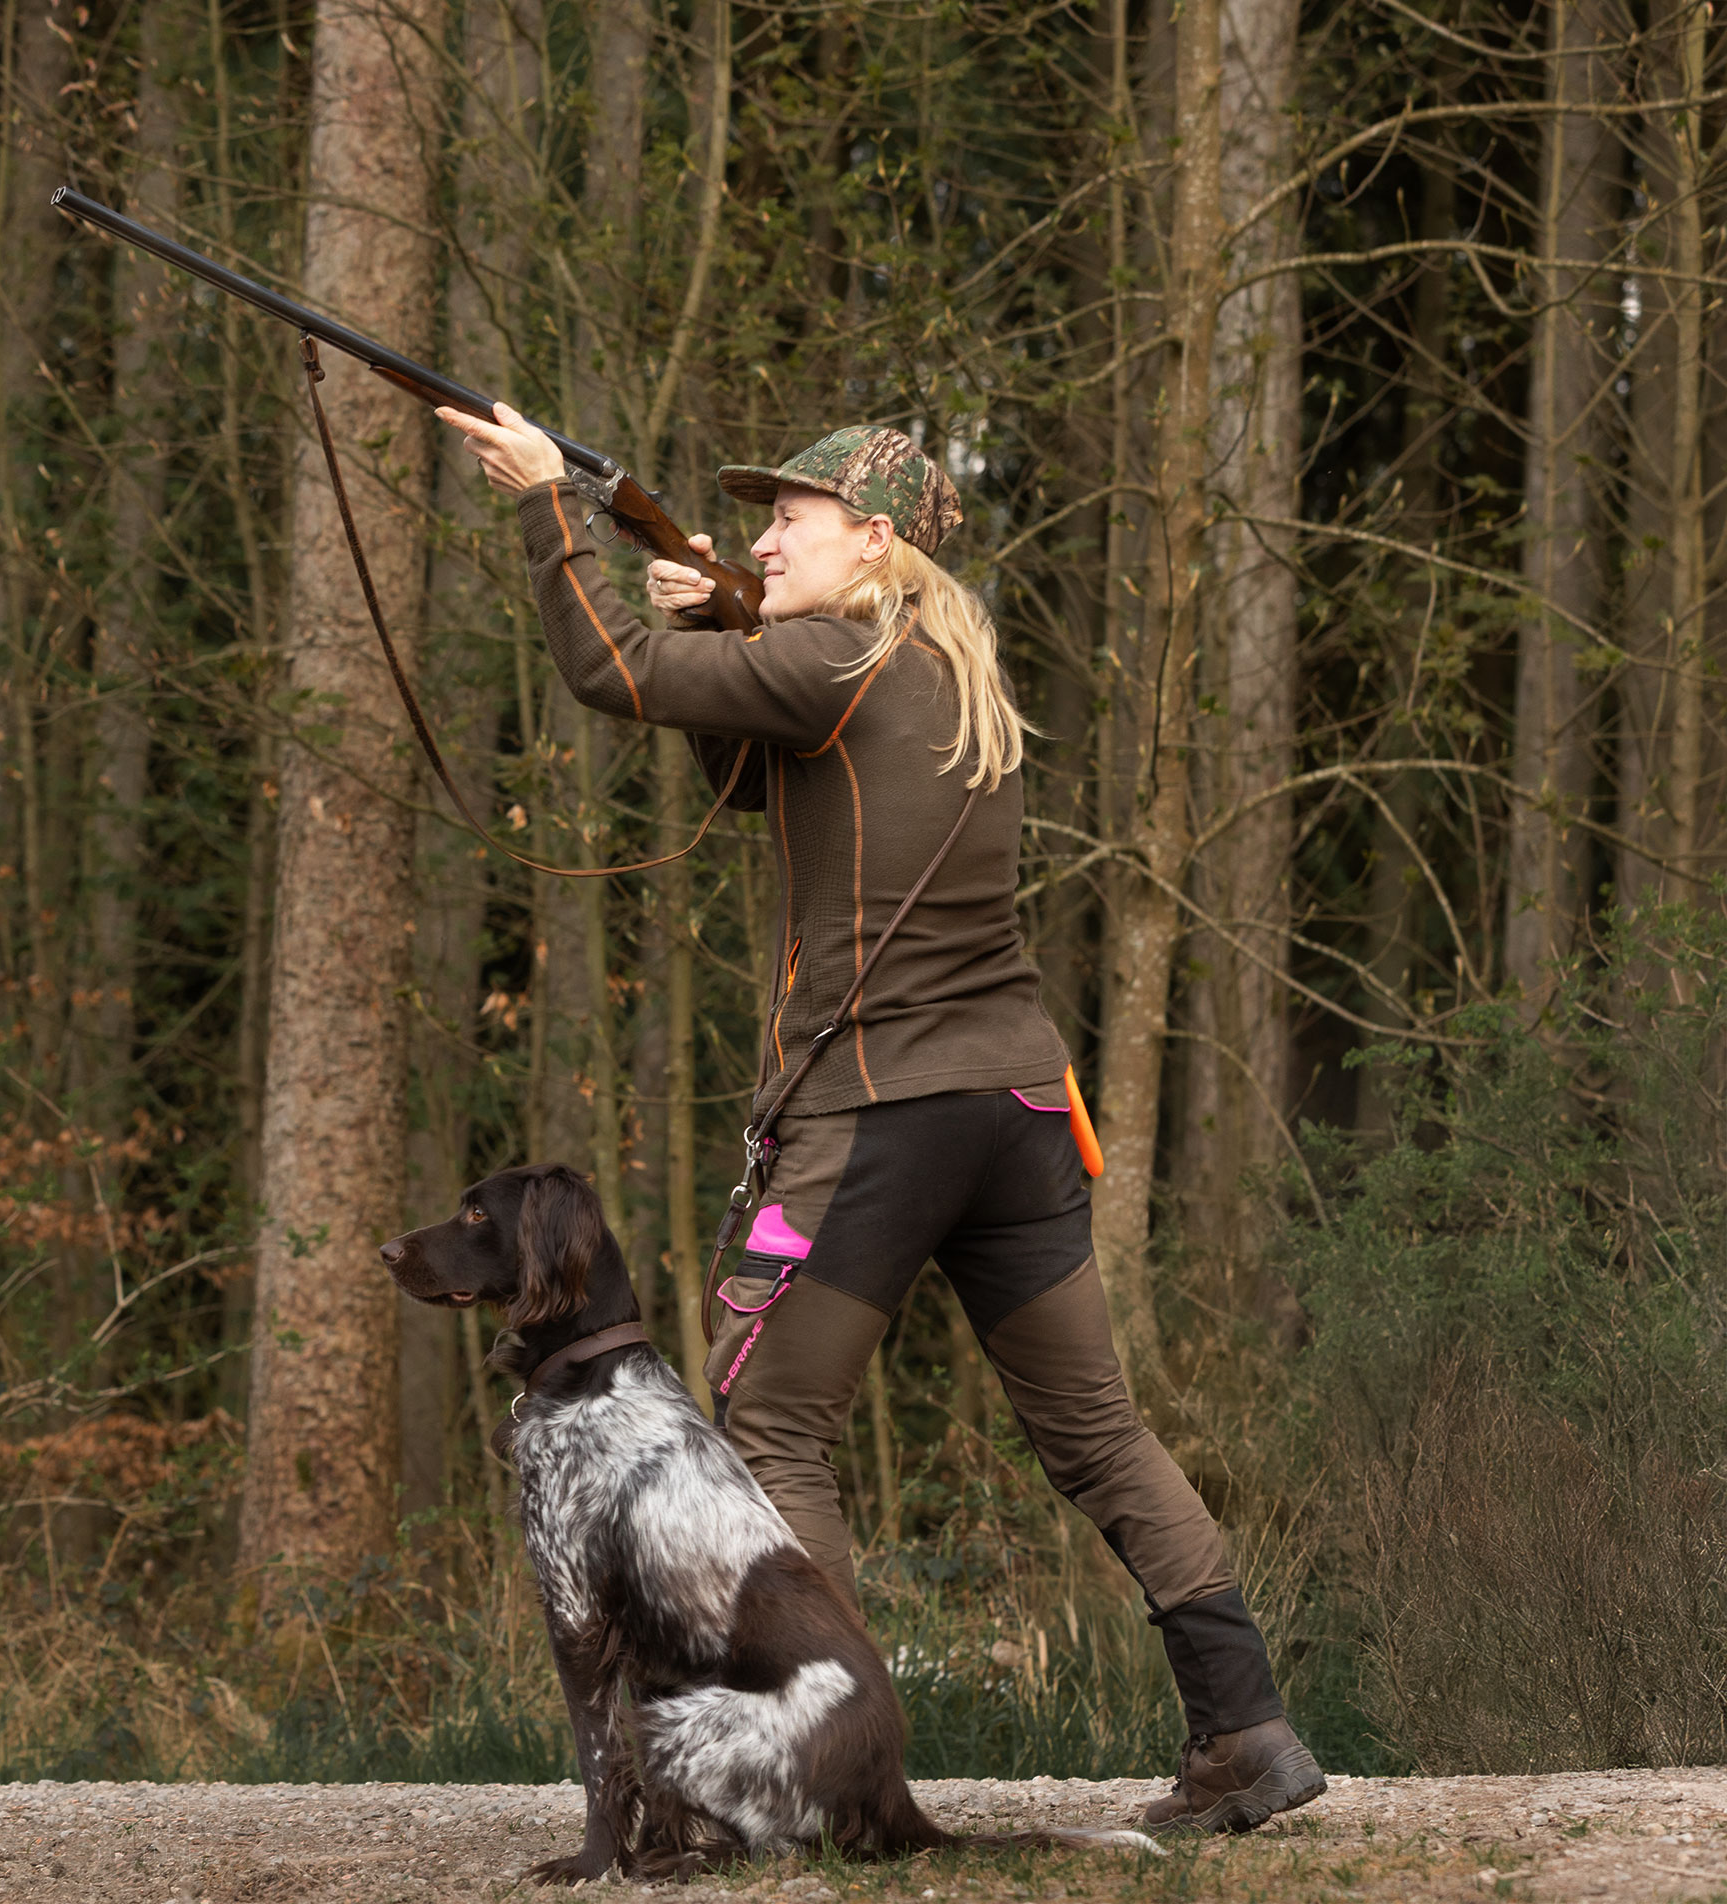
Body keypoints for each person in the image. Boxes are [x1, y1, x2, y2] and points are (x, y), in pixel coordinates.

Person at [436, 403, 1327, 1836]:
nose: (765, 537)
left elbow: (611, 673)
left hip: (879, 1114)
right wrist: (723, 620)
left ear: (875, 540)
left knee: (773, 1426)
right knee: (1099, 1434)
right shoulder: (940, 668)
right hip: (1018, 1108)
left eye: (793, 517)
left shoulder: (837, 656)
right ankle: (1248, 1733)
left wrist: (549, 507)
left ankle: (828, 1781)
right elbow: (756, 778)